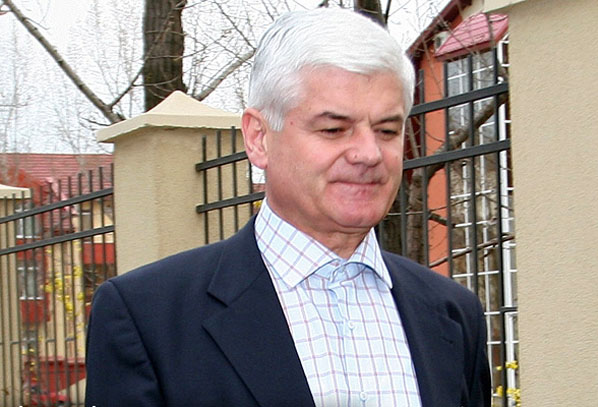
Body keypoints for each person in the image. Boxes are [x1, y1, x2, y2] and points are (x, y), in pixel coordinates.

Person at [85, 7, 491, 407]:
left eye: (386, 130)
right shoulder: (147, 317)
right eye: (334, 129)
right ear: (259, 138)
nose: (369, 154)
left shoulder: (453, 314)